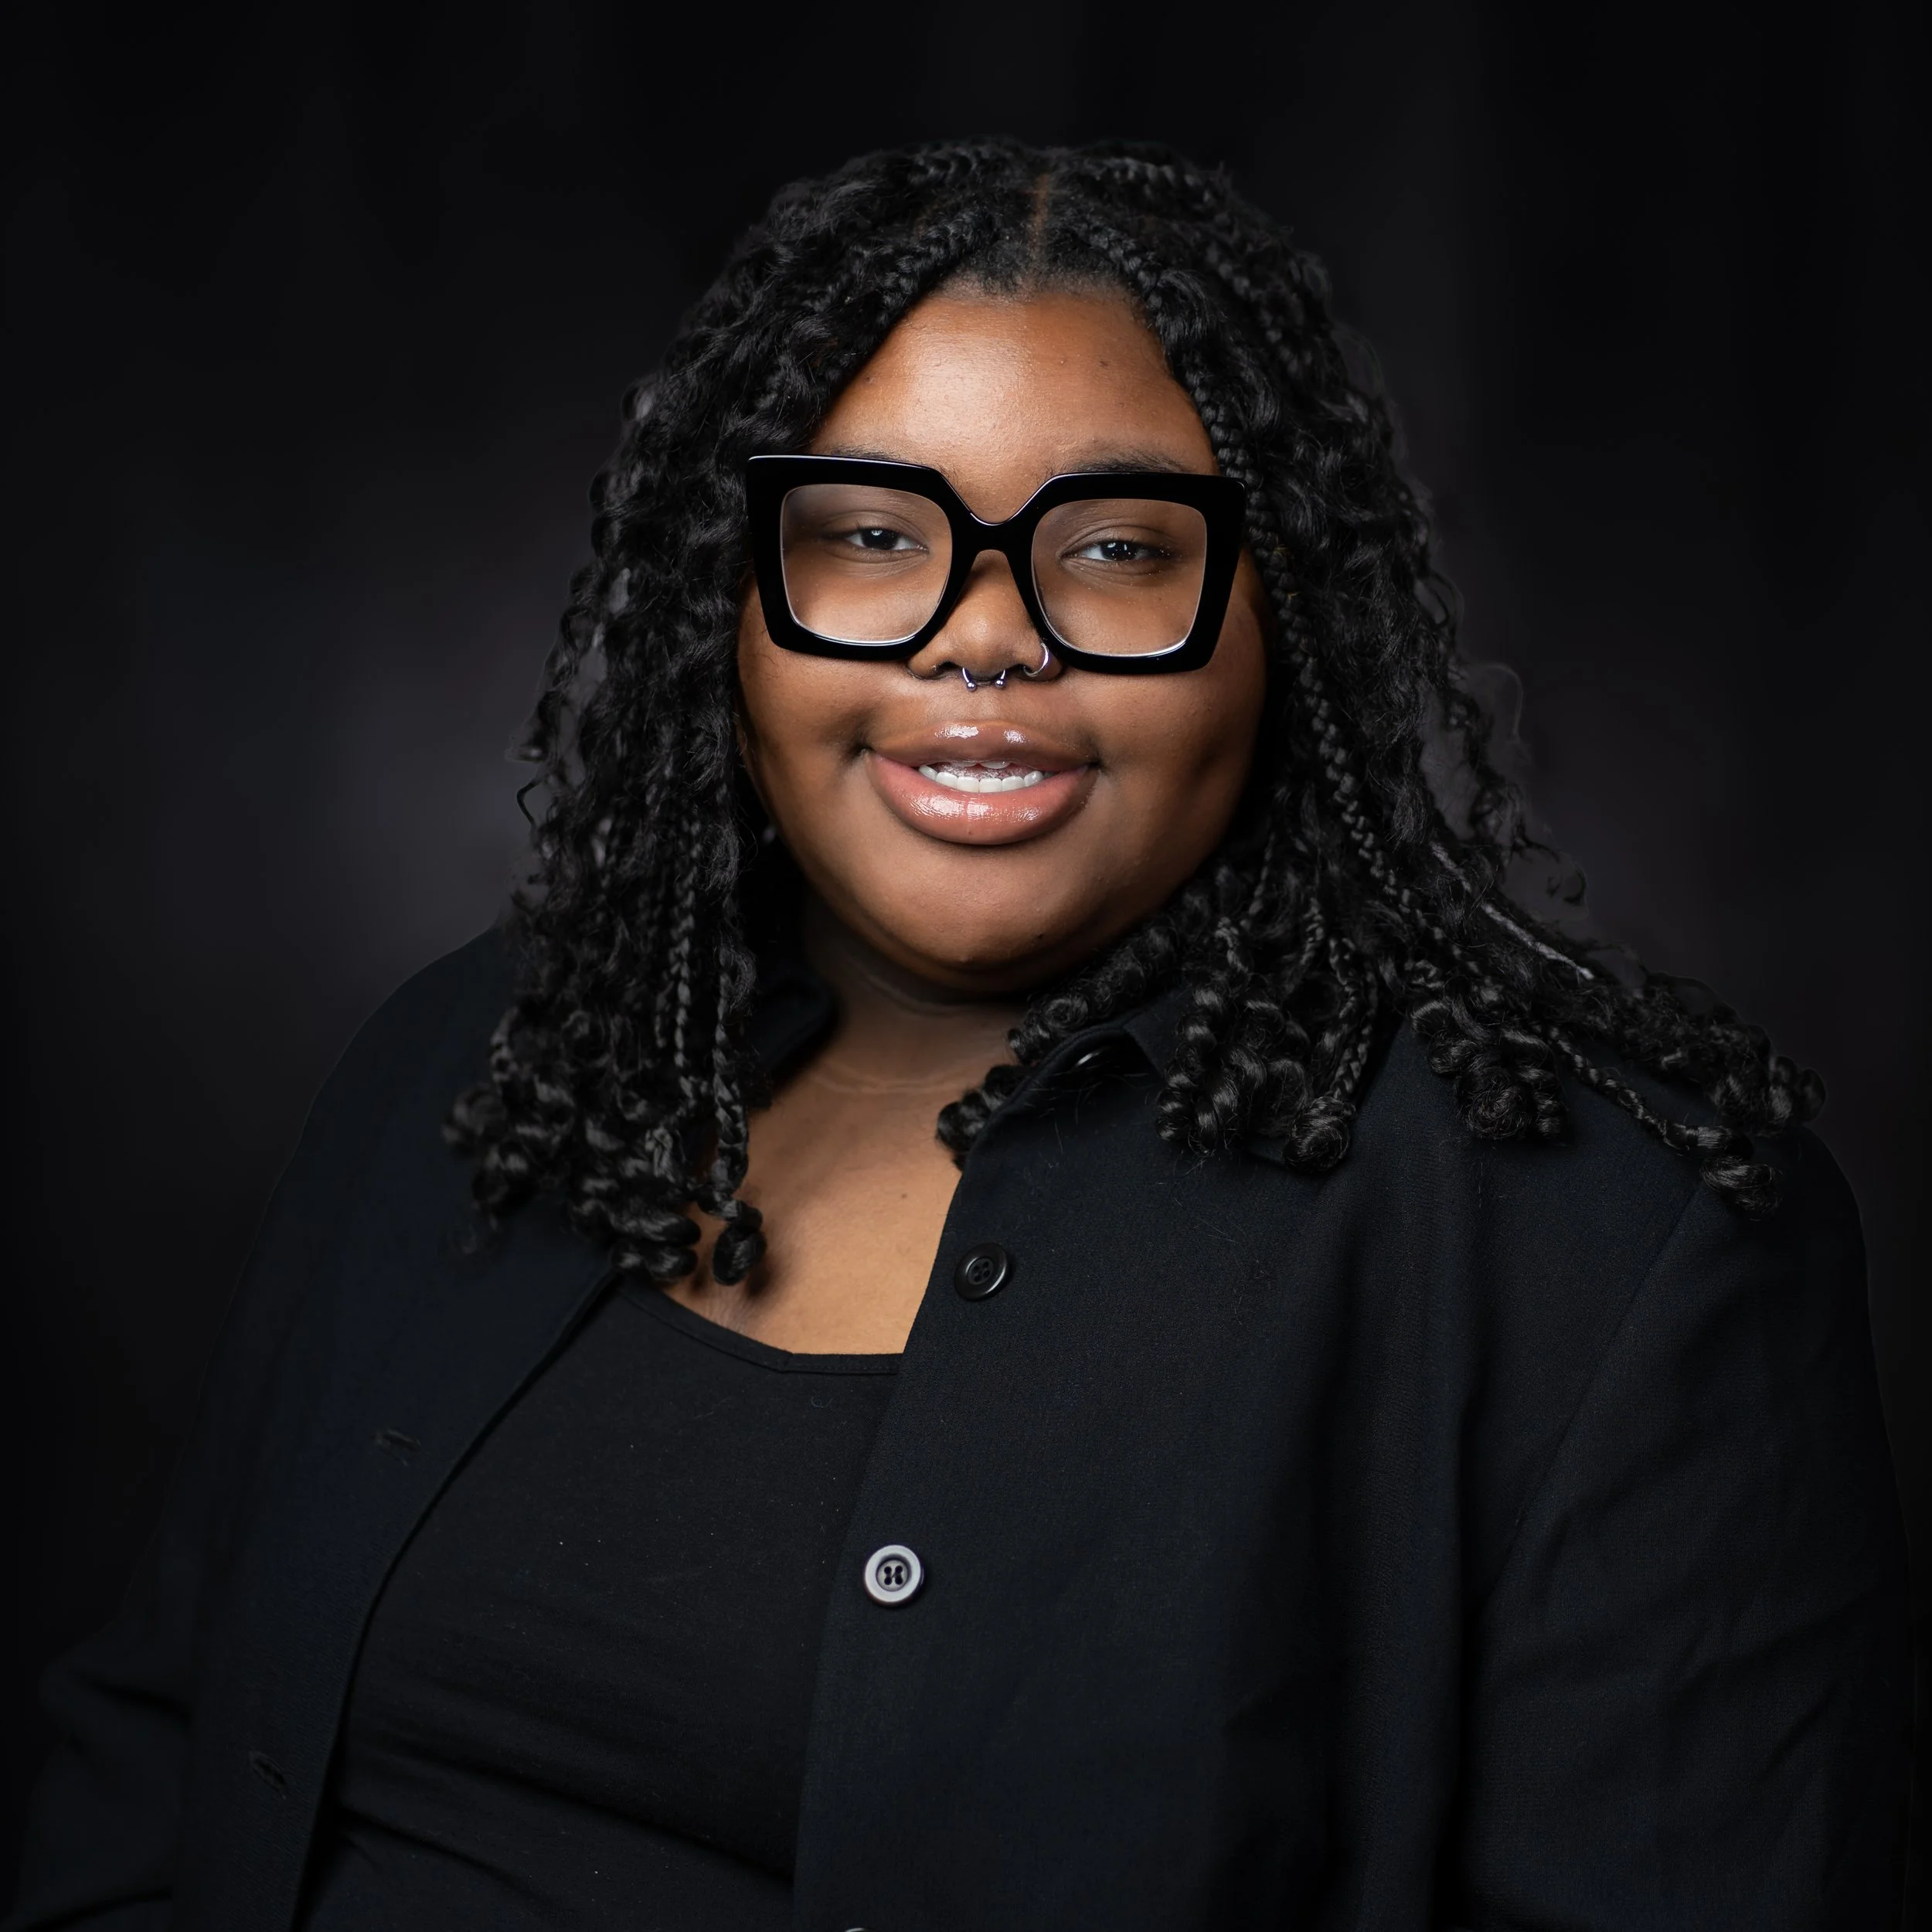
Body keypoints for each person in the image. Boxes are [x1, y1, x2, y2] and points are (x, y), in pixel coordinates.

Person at [7, 138, 1909, 1932]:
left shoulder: (1607, 1249)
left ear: (1281, 619)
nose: (979, 636)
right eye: (861, 533)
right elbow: (156, 1759)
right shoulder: (475, 1064)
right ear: (731, 608)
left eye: (1113, 549)